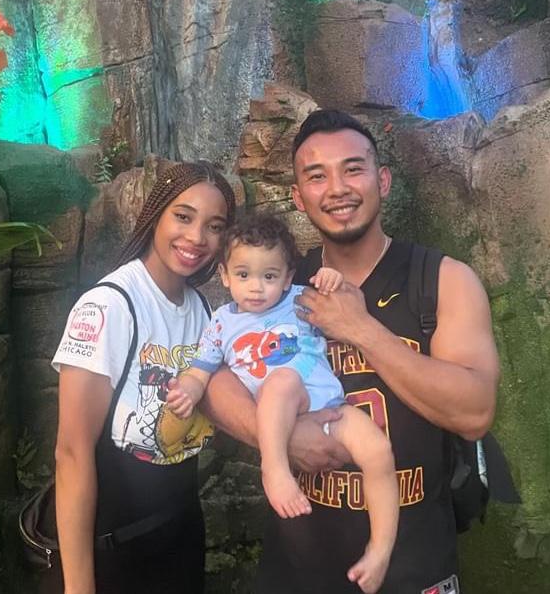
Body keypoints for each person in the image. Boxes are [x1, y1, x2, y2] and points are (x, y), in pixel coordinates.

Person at [201, 110, 499, 594]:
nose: (337, 188)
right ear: (298, 197)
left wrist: (360, 329)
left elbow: (475, 412)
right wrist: (280, 438)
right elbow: (213, 384)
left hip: (413, 569)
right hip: (297, 570)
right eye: (317, 176)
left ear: (383, 180)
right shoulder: (278, 284)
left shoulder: (442, 280)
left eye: (353, 169)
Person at [167, 213, 399, 593]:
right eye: (244, 275)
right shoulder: (222, 323)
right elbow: (201, 371)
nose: (256, 287)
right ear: (224, 275)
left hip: (329, 404)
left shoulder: (298, 299)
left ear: (288, 277)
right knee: (281, 381)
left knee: (379, 451)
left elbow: (346, 301)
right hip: (282, 403)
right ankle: (274, 471)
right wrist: (189, 391)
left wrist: (333, 281)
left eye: (269, 276)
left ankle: (381, 548)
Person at [51, 161, 236, 594]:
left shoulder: (202, 310)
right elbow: (71, 453)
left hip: (181, 536)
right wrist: (79, 587)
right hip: (117, 548)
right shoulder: (108, 307)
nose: (197, 237)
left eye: (214, 226)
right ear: (155, 215)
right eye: (183, 216)